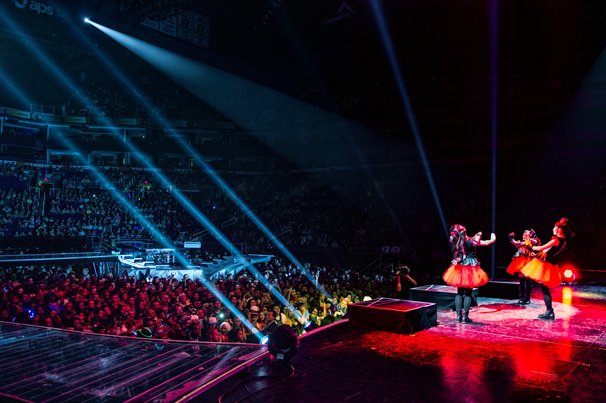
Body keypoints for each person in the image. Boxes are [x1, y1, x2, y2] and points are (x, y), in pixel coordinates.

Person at [520, 218, 575, 320]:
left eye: (555, 227)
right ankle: (549, 311)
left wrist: (528, 245)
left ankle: (549, 311)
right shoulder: (562, 240)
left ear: (559, 229)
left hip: (547, 265)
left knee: (545, 288)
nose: (553, 228)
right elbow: (545, 250)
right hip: (551, 265)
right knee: (544, 288)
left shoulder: (556, 240)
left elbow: (541, 248)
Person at [442, 224, 496, 323]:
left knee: (459, 292)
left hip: (460, 266)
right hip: (470, 267)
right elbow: (485, 243)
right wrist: (492, 239)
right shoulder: (471, 240)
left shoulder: (456, 241)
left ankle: (458, 316)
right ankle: (465, 317)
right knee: (468, 293)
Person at [506, 229, 541, 305]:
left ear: (530, 234)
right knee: (521, 280)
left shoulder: (532, 241)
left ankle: (527, 298)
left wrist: (530, 238)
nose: (524, 233)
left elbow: (535, 242)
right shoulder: (521, 242)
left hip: (528, 262)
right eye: (524, 232)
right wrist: (511, 237)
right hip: (521, 262)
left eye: (526, 232)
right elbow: (514, 242)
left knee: (527, 280)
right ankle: (521, 298)